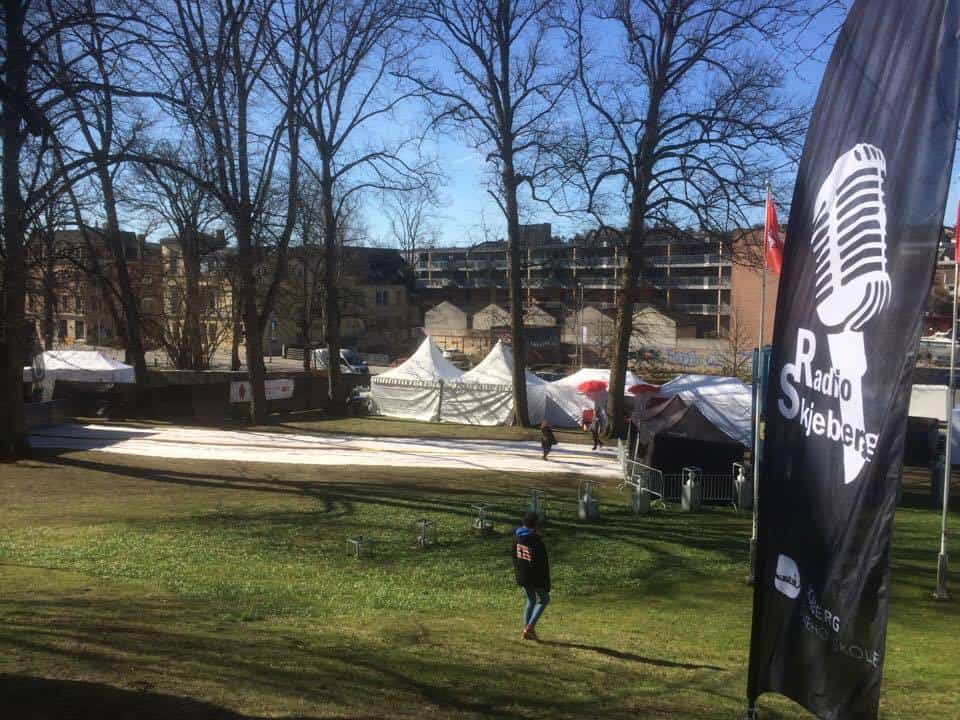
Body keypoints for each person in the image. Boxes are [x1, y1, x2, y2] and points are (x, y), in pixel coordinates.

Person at [512, 511, 550, 641]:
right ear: (535, 525)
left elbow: (514, 557)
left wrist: (519, 573)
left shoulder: (516, 537)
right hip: (535, 576)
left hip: (523, 575)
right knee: (544, 599)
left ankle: (526, 632)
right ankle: (529, 627)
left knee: (531, 600)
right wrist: (545, 582)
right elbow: (542, 562)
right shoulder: (536, 540)